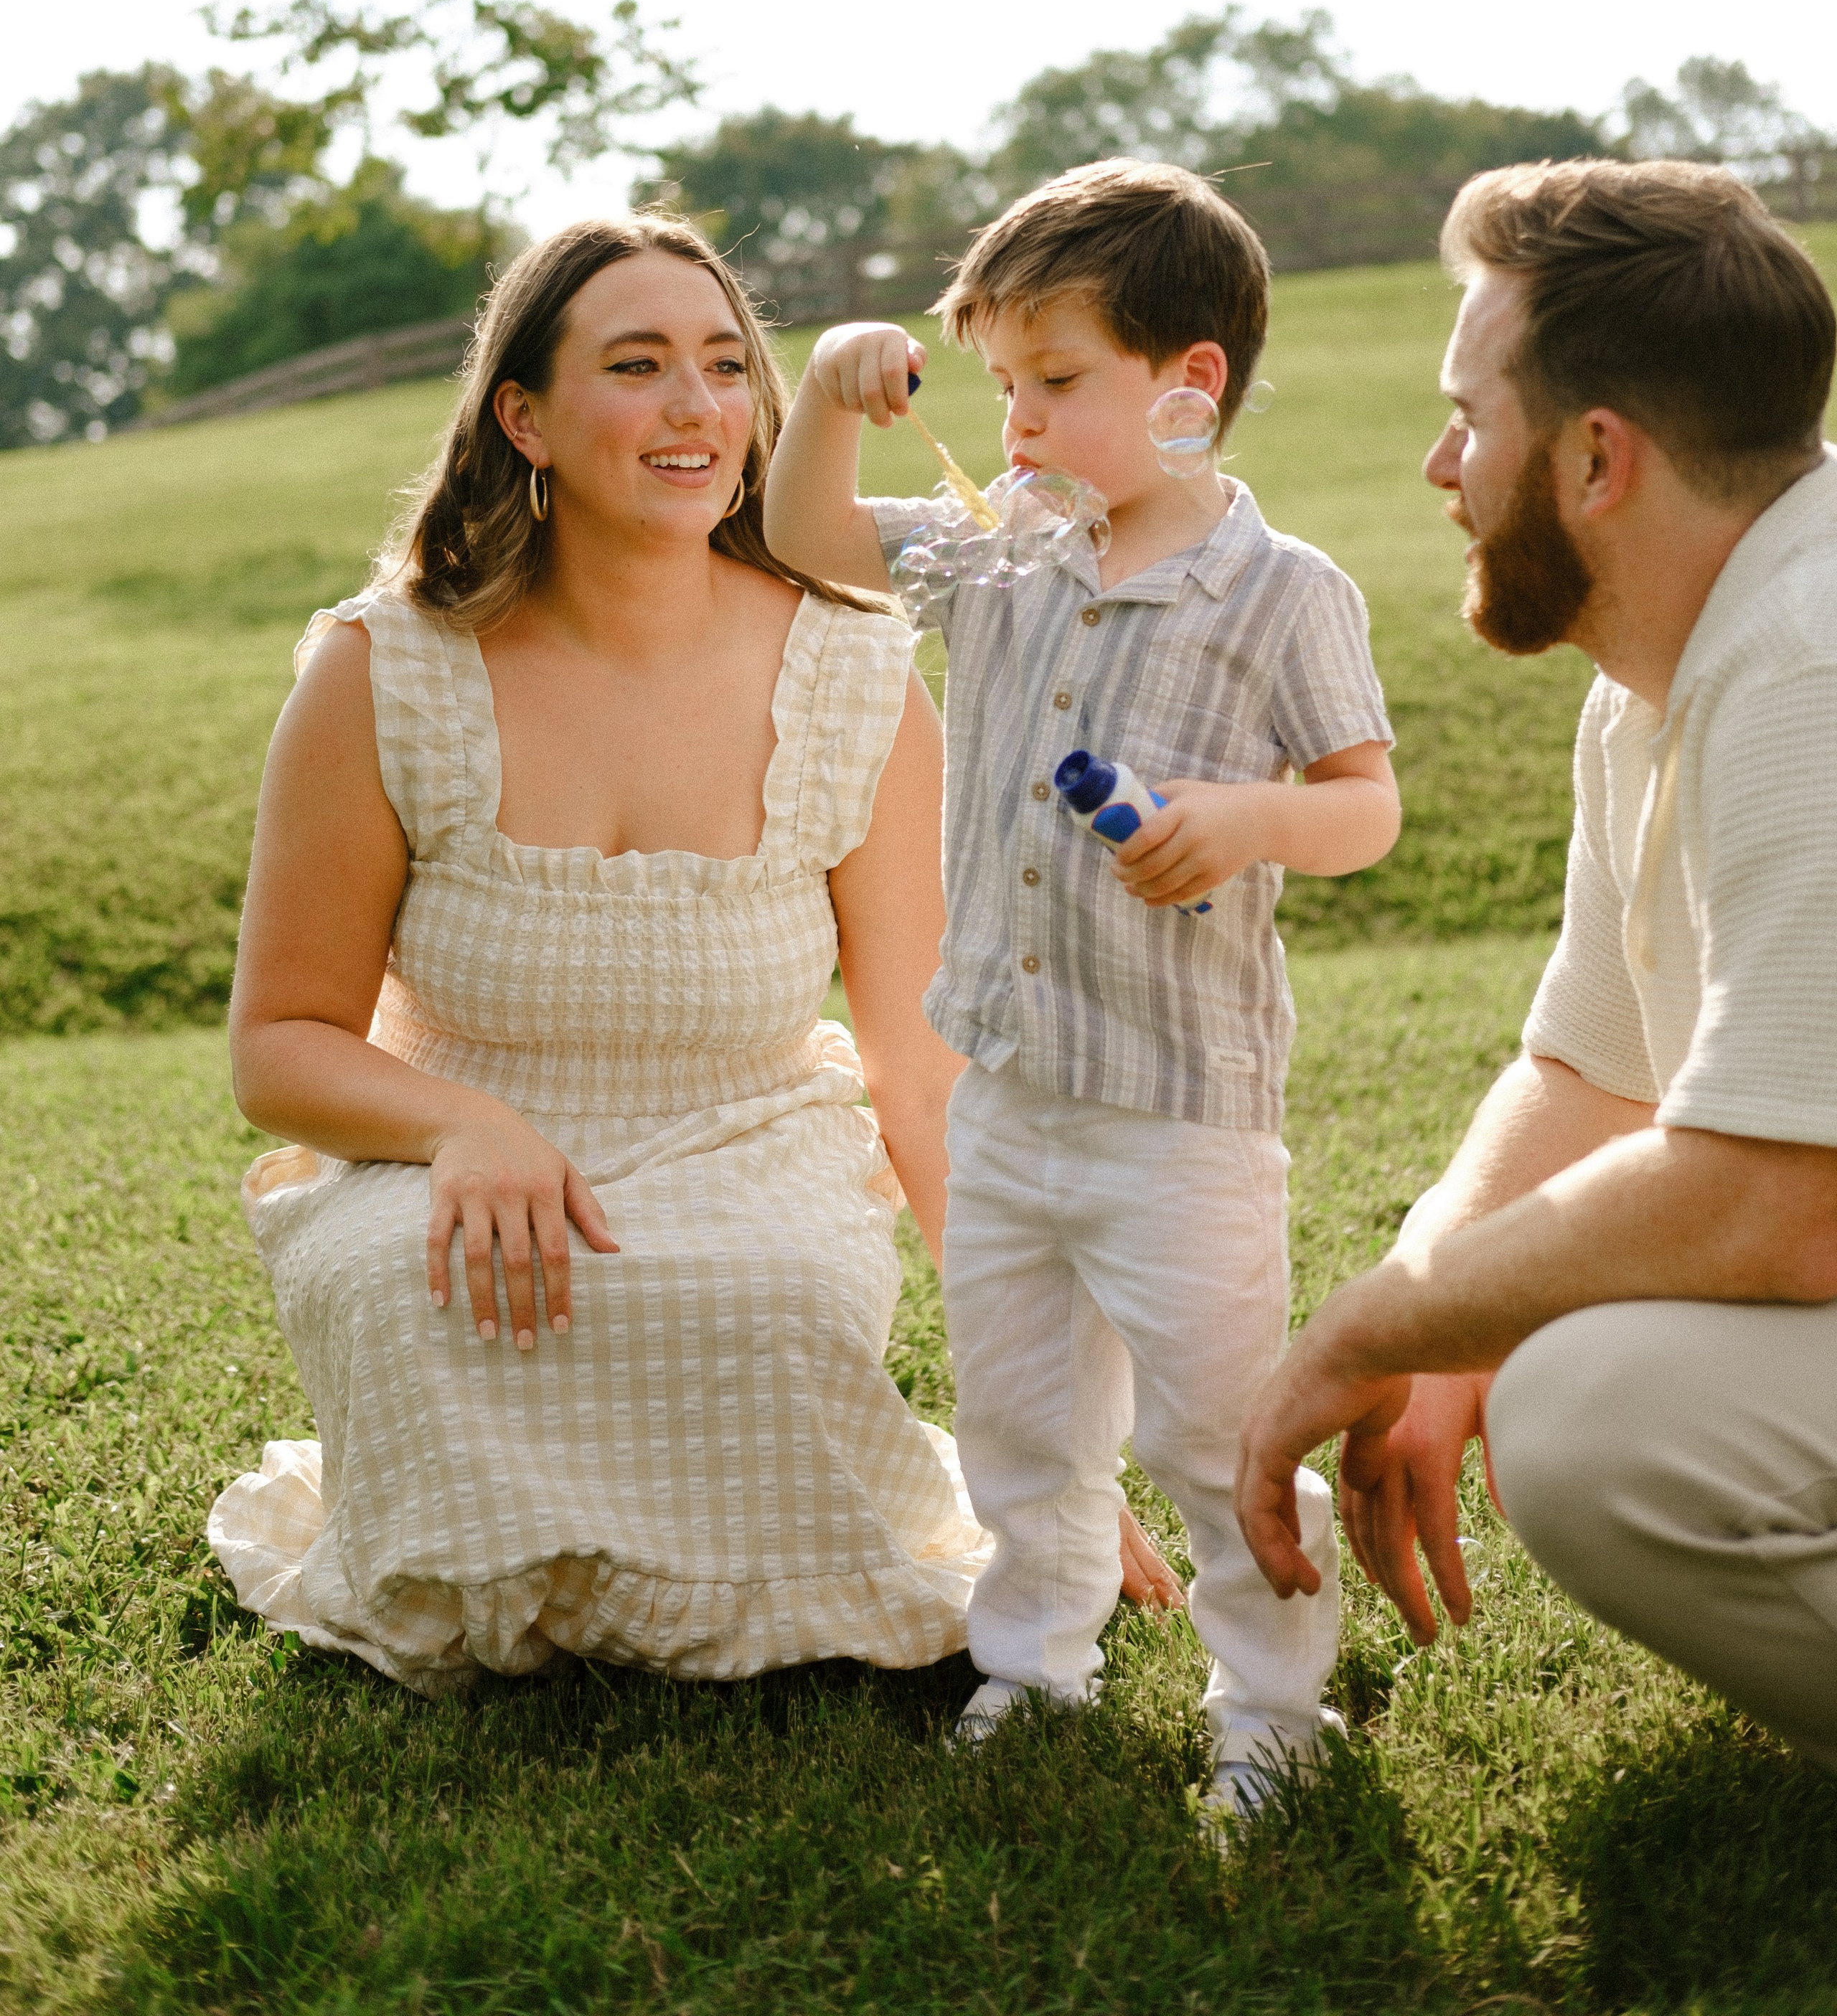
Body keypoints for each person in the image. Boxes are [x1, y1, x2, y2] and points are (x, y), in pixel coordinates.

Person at [208, 212, 1000, 1692]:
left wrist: (1029, 1423)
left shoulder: (850, 669)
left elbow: (922, 1065)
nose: (695, 407)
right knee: (418, 1284)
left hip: (745, 1128)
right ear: (526, 418)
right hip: (440, 1137)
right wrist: (465, 1126)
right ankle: (474, 1569)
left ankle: (769, 1566)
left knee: (761, 1292)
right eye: (636, 367)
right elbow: (280, 1047)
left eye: (722, 365)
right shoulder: (383, 671)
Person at [764, 160, 1401, 1815]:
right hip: (1008, 1099)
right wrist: (829, 399)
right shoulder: (1000, 553)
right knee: (1025, 1427)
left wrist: (1239, 821)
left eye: (1057, 384)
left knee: (1208, 1435)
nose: (1020, 422)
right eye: (1002, 387)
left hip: (1177, 1116)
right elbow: (797, 532)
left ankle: (1268, 1713)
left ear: (1186, 392)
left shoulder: (1282, 591)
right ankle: (1032, 1667)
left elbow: (1363, 803)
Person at [1234, 159, 1837, 1771]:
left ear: (1592, 455)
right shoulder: (1661, 673)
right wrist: (1435, 1323)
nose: (1439, 465)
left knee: (1601, 1417)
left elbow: (1779, 1199)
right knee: (1573, 1361)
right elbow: (1586, 1069)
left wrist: (1374, 1325)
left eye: (1465, 416)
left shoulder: (1808, 662)